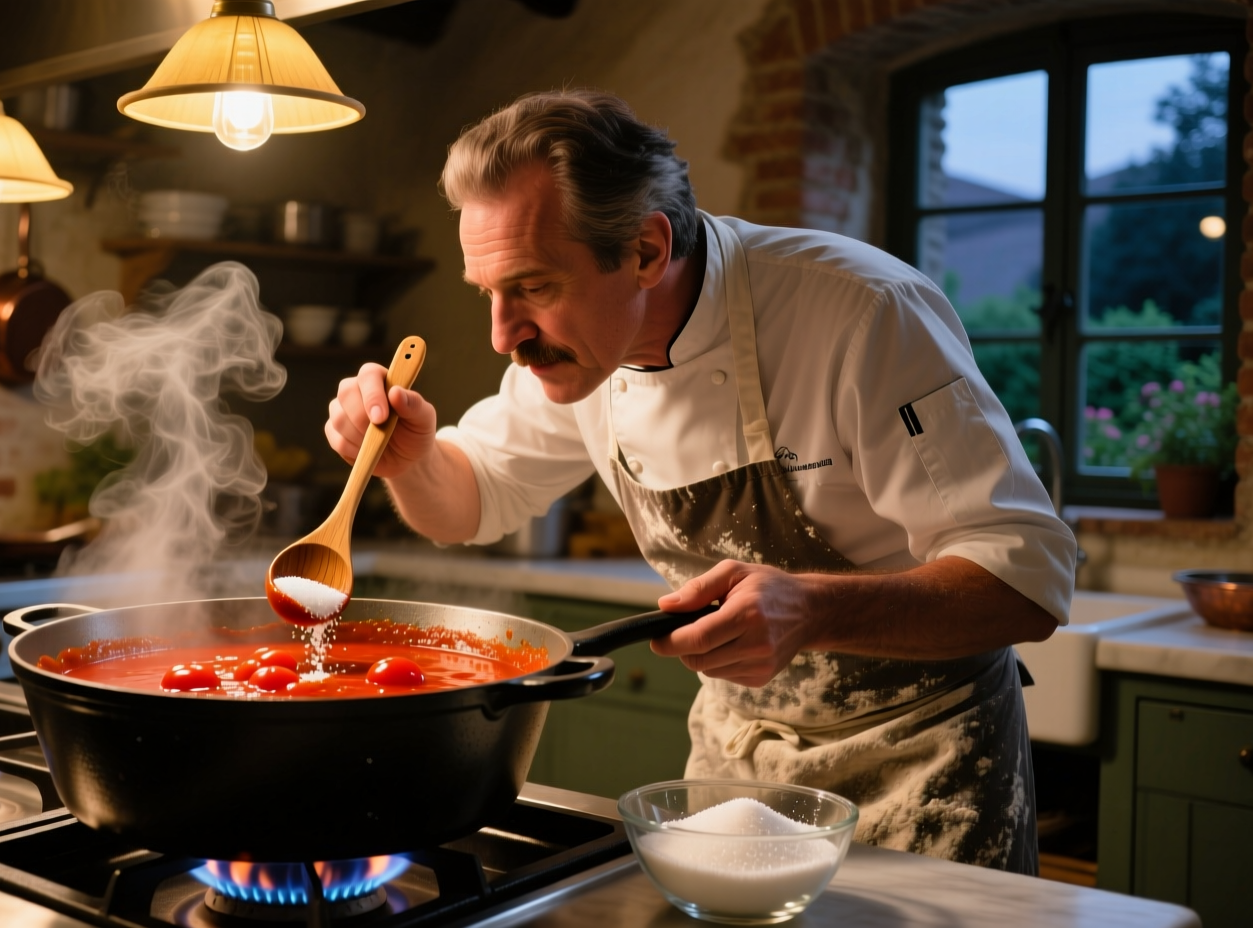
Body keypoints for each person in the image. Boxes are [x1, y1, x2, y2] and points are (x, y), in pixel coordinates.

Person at [323, 90, 1076, 874]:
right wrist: (408, 462)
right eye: (489, 292)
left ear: (646, 251)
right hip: (736, 768)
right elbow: (470, 500)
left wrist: (812, 610)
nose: (503, 334)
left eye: (535, 287)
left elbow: (1024, 578)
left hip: (926, 768)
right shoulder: (581, 354)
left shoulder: (861, 312)